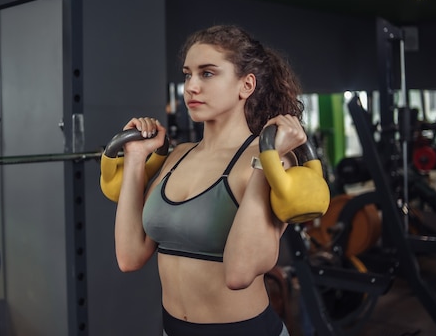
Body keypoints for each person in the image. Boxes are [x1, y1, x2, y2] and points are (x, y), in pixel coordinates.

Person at [113, 25, 307, 336]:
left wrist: (267, 159)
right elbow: (129, 256)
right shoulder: (177, 156)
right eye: (187, 74)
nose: (190, 86)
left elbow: (239, 273)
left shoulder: (275, 160)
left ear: (246, 85)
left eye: (207, 73)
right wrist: (135, 159)